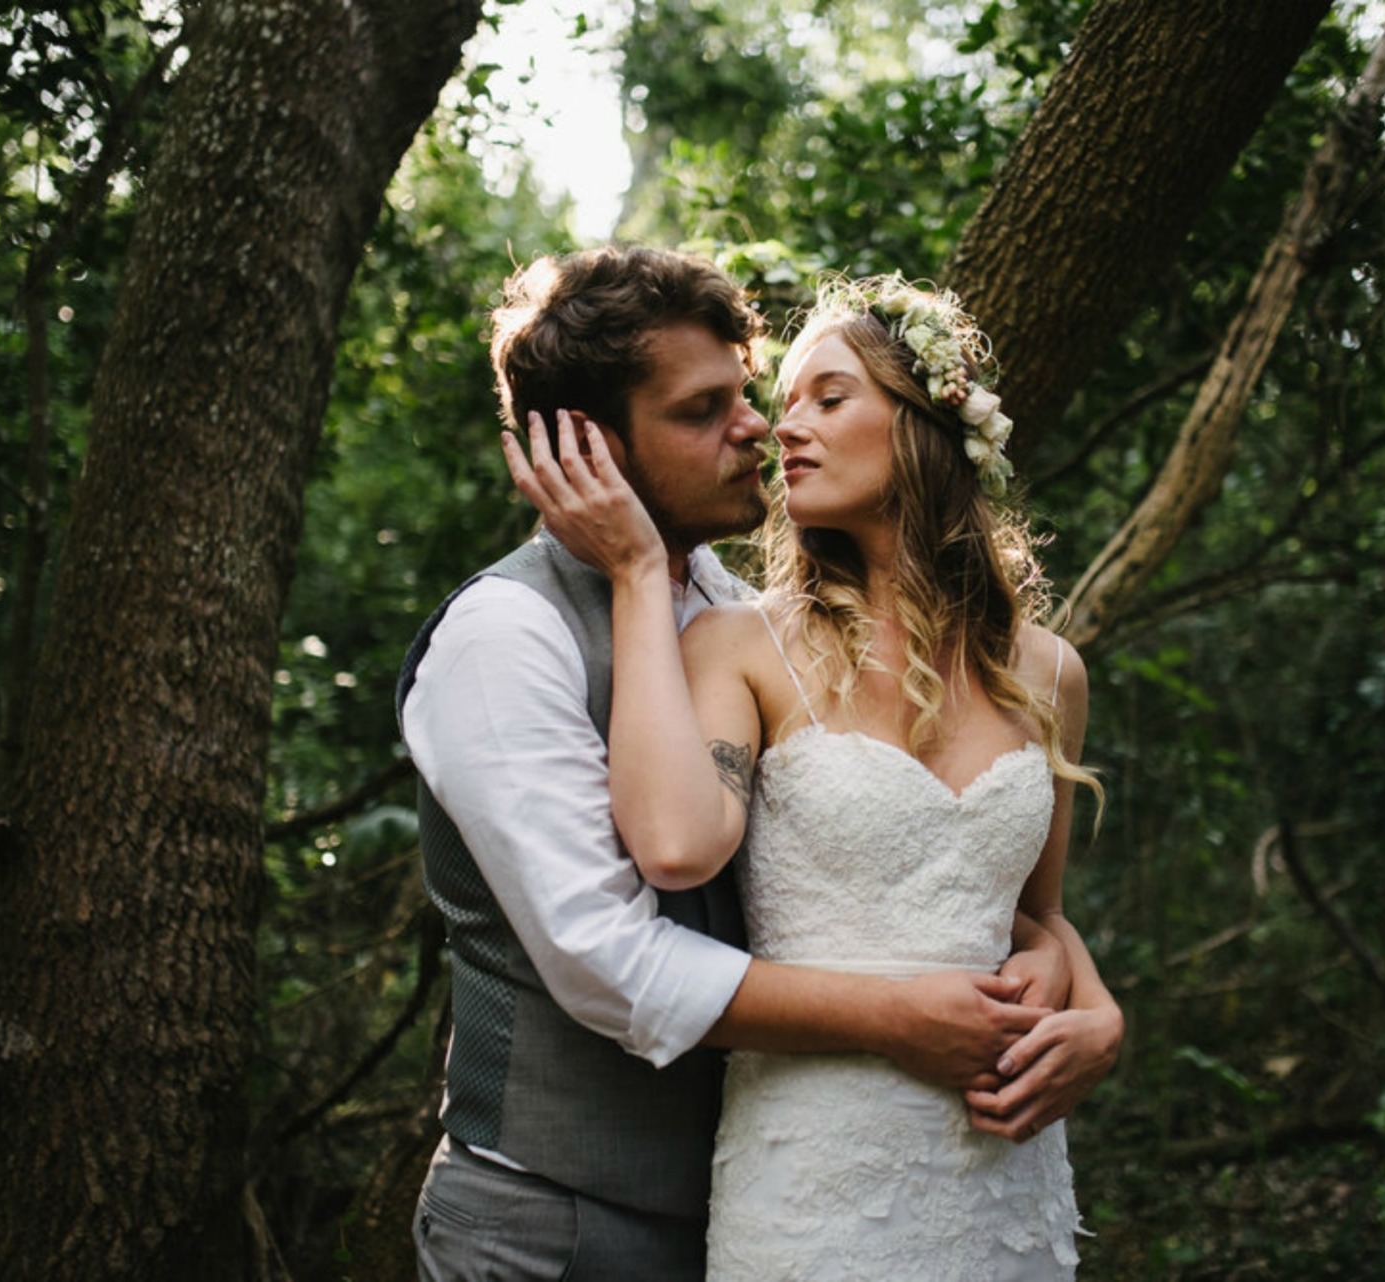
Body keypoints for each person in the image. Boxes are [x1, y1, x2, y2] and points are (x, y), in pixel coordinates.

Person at [401, 247, 1119, 1280]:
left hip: (762, 1188)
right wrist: (897, 1019)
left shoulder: (746, 621)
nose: (758, 428)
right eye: (704, 411)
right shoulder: (503, 636)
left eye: (748, 394)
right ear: (590, 447)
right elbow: (612, 960)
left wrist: (1088, 999)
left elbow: (947, 886)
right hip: (550, 1222)